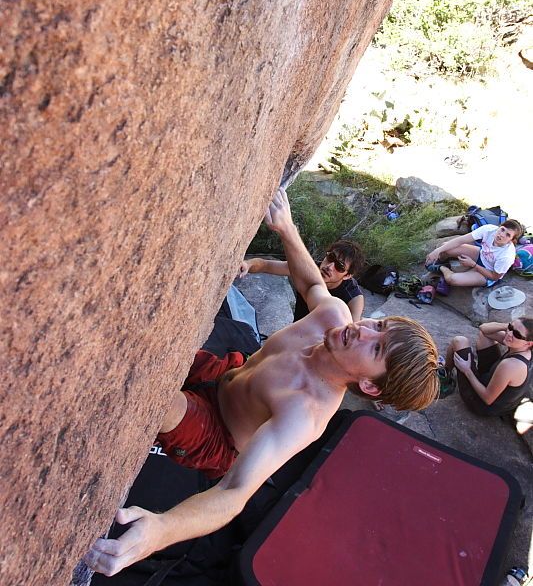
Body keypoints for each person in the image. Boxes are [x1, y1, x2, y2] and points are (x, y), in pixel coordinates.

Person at [84, 188, 439, 577]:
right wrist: (286, 228)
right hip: (224, 372)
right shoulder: (335, 317)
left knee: (153, 397)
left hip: (216, 433)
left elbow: (234, 493)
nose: (365, 331)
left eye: (376, 349)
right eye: (380, 325)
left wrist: (161, 530)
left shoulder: (304, 413)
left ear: (370, 386)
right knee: (151, 339)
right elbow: (310, 285)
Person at [239, 239, 365, 322]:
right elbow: (266, 265)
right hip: (297, 331)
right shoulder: (308, 269)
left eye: (339, 266)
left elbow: (351, 331)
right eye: (330, 257)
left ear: (348, 275)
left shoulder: (353, 298)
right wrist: (247, 265)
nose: (329, 267)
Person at [444, 317, 533, 416]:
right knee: (485, 336)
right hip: (492, 381)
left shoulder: (511, 365)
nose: (509, 334)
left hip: (481, 403)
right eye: (510, 327)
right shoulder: (523, 348)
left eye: (517, 334)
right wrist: (508, 326)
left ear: (529, 343)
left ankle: (444, 375)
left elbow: (487, 399)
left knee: (459, 341)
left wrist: (467, 370)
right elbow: (484, 329)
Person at [425, 220, 523, 288]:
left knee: (452, 279)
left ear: (511, 240)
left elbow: (494, 277)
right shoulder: (489, 229)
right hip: (480, 254)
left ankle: (443, 268)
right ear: (499, 227)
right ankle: (440, 262)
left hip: (488, 272)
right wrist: (437, 251)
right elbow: (461, 240)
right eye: (502, 229)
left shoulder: (507, 256)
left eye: (508, 235)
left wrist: (473, 265)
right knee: (445, 247)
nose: (501, 235)